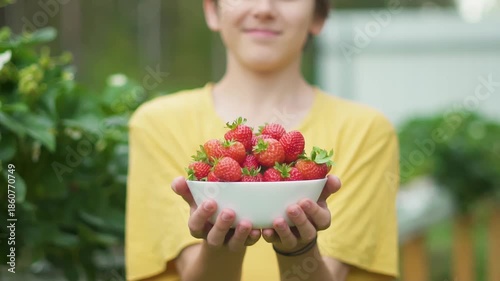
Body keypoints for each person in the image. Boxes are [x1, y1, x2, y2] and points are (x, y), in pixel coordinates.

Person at [125, 0, 400, 280]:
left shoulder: (366, 132)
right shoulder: (156, 125)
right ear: (212, 10)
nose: (264, 8)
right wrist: (222, 246)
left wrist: (300, 249)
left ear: (318, 15)